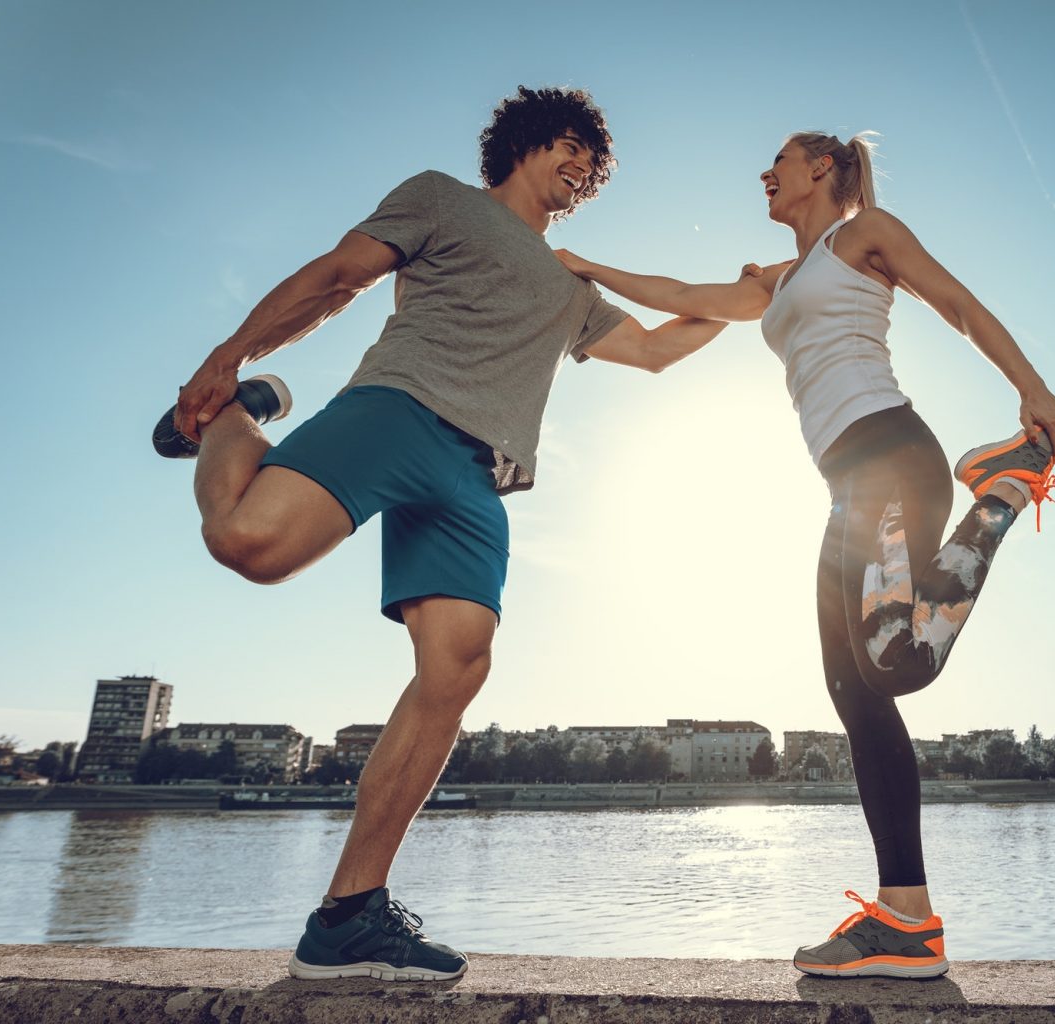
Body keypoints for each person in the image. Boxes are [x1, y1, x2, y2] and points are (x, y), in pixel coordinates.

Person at [151, 86, 728, 982]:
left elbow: (653, 351)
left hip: (477, 471)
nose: (584, 171)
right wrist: (231, 358)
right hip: (400, 407)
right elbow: (337, 279)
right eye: (573, 149)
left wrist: (756, 297)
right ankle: (234, 416)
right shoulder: (442, 198)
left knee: (456, 666)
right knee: (247, 546)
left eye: (595, 166)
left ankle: (348, 916)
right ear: (530, 143)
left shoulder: (570, 288)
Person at [554, 131, 1055, 979]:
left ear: (824, 170)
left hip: (893, 456)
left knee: (898, 662)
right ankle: (904, 920)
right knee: (855, 691)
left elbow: (960, 305)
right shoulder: (774, 281)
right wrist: (584, 264)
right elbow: (682, 293)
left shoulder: (865, 235)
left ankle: (1003, 490)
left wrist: (1033, 390)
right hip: (846, 491)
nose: (766, 171)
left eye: (783, 158)